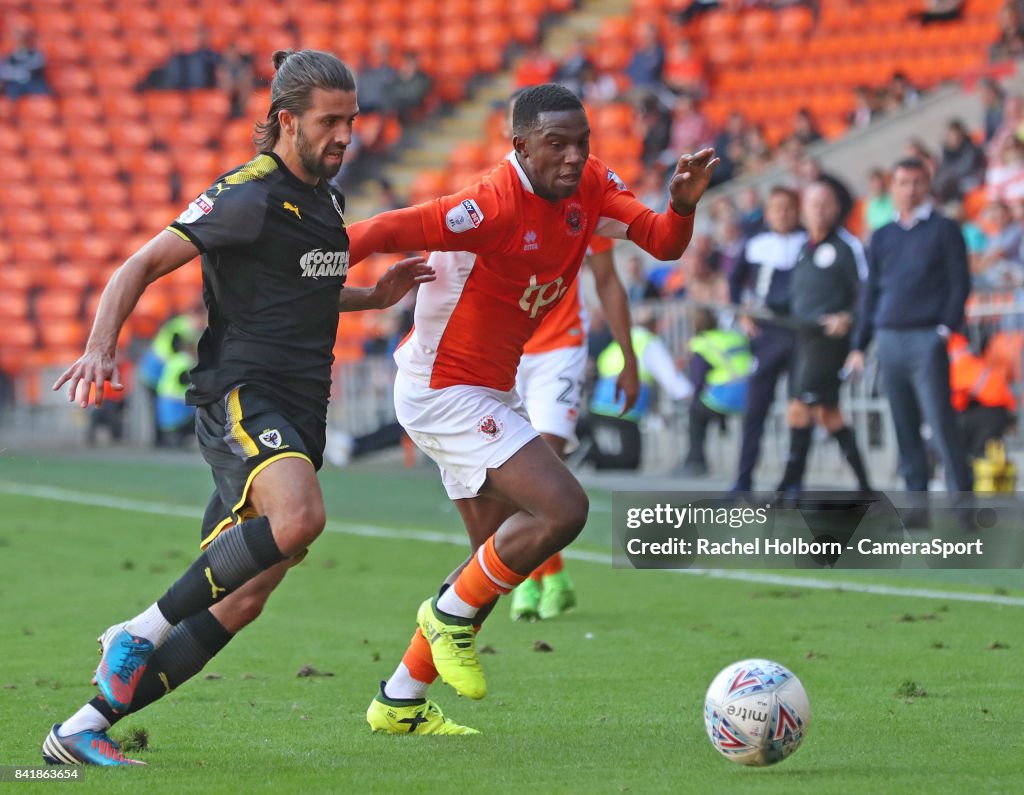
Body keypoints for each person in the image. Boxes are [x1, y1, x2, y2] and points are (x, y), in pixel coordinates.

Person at [42, 49, 435, 767]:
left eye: (352, 119)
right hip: (243, 395)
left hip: (300, 410)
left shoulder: (327, 202)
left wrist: (373, 298)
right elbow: (140, 264)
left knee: (244, 598)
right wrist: (101, 346)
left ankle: (81, 727)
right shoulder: (247, 193)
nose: (347, 134)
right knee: (302, 516)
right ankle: (140, 628)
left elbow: (303, 291)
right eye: (330, 122)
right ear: (287, 121)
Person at [345, 83, 717, 735]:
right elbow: (379, 230)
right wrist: (302, 272)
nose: (573, 156)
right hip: (441, 388)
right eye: (556, 144)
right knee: (563, 508)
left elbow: (662, 242)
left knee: (490, 562)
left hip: (488, 388)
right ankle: (444, 617)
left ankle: (398, 700)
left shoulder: (593, 186)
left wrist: (681, 205)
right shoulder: (488, 204)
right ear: (519, 146)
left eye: (581, 142)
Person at [847, 157, 973, 528]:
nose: (910, 189)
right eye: (902, 182)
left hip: (926, 337)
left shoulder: (945, 229)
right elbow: (870, 293)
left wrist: (944, 330)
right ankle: (916, 505)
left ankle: (962, 502)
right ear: (893, 187)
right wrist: (860, 343)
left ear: (928, 184)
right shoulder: (883, 235)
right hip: (888, 338)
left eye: (917, 182)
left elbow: (959, 284)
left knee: (940, 421)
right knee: (903, 425)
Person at [772, 180, 873, 500]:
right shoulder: (804, 248)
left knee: (803, 408)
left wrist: (849, 320)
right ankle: (862, 487)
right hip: (802, 342)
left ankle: (788, 486)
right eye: (812, 202)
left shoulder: (848, 247)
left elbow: (866, 294)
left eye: (825, 202)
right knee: (823, 414)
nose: (818, 209)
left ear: (836, 207)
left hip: (828, 343)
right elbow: (798, 297)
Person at [727, 186, 806, 494]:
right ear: (768, 212)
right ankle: (743, 480)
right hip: (766, 334)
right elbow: (734, 282)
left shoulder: (807, 242)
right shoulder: (756, 244)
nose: (783, 214)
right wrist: (741, 314)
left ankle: (792, 479)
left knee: (799, 409)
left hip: (799, 334)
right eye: (777, 208)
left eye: (788, 207)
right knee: (755, 410)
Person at [585, 307, 694, 471]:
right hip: (625, 410)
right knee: (630, 461)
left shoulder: (621, 340)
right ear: (656, 326)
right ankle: (592, 455)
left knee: (626, 458)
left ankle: (592, 455)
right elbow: (672, 380)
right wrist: (692, 395)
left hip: (600, 406)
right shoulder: (648, 342)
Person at [678, 307, 750, 477]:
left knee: (696, 412)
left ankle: (696, 461)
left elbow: (698, 380)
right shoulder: (734, 337)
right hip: (750, 394)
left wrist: (693, 398)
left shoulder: (701, 343)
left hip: (724, 396)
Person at [1, 27, 51, 100]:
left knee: (42, 94)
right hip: (15, 83)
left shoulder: (35, 54)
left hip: (33, 81)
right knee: (11, 96)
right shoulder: (9, 56)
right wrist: (16, 73)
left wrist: (24, 71)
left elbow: (37, 65)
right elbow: (4, 72)